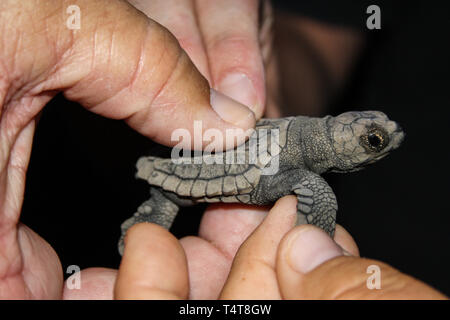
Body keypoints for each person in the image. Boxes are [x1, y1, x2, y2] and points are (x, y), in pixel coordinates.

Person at [0, 0, 445, 300]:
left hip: (248, 158)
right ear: (338, 139)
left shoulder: (307, 143)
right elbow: (314, 38)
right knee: (308, 195)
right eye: (373, 140)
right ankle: (157, 208)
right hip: (202, 167)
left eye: (376, 140)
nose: (382, 143)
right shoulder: (308, 173)